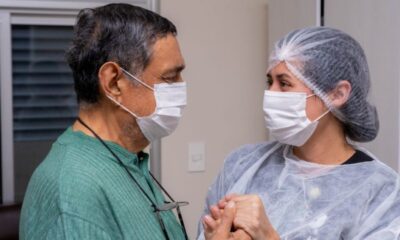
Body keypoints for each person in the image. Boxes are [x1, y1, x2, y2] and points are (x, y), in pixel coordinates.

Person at [198, 27, 400, 239]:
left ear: (337, 94)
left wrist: (268, 237)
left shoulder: (381, 191)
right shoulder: (242, 165)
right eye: (270, 81)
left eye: (284, 83)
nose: (270, 93)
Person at [20, 3, 189, 239]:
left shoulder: (126, 159)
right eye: (170, 77)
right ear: (113, 82)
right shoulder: (74, 190)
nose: (181, 87)